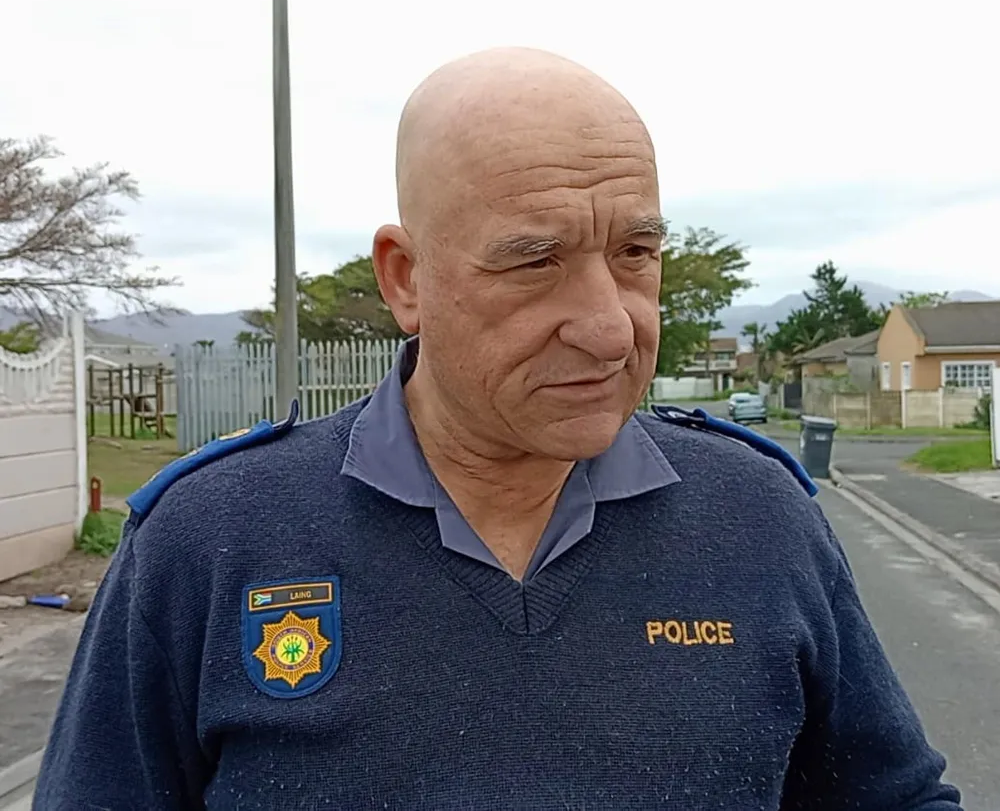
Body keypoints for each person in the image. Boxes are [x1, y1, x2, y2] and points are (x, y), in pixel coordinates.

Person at [35, 47, 962, 810]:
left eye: (636, 252)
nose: (611, 327)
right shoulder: (209, 539)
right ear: (406, 279)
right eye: (535, 261)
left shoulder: (760, 517)